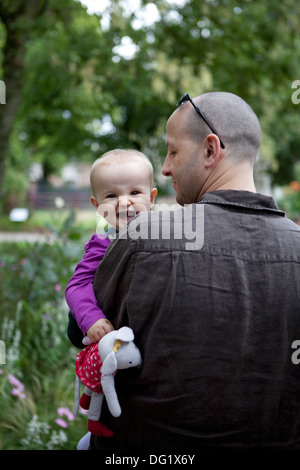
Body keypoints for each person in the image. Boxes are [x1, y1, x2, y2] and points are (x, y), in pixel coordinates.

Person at [89, 91, 300, 450]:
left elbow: (86, 331)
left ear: (210, 150)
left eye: (173, 151)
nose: (166, 167)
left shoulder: (146, 236)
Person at [65, 149, 157, 347]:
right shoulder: (103, 242)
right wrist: (92, 319)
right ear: (97, 205)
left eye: (135, 192)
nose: (124, 202)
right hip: (115, 334)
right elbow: (77, 286)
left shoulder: (163, 237)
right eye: (112, 195)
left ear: (151, 197)